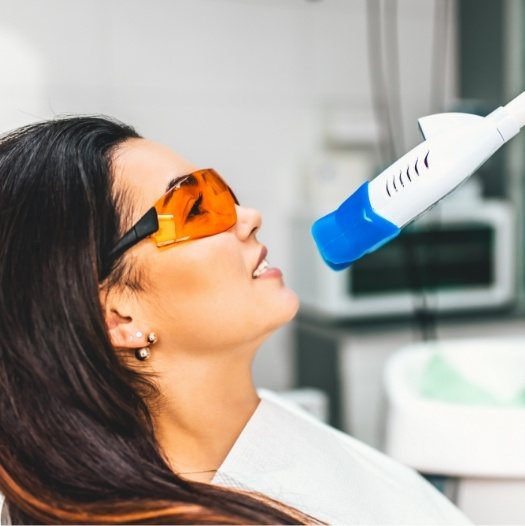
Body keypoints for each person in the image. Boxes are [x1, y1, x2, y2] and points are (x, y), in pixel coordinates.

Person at [0, 116, 470, 525]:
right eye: (195, 208)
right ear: (119, 318)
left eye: (221, 193)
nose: (249, 217)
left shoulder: (256, 423)